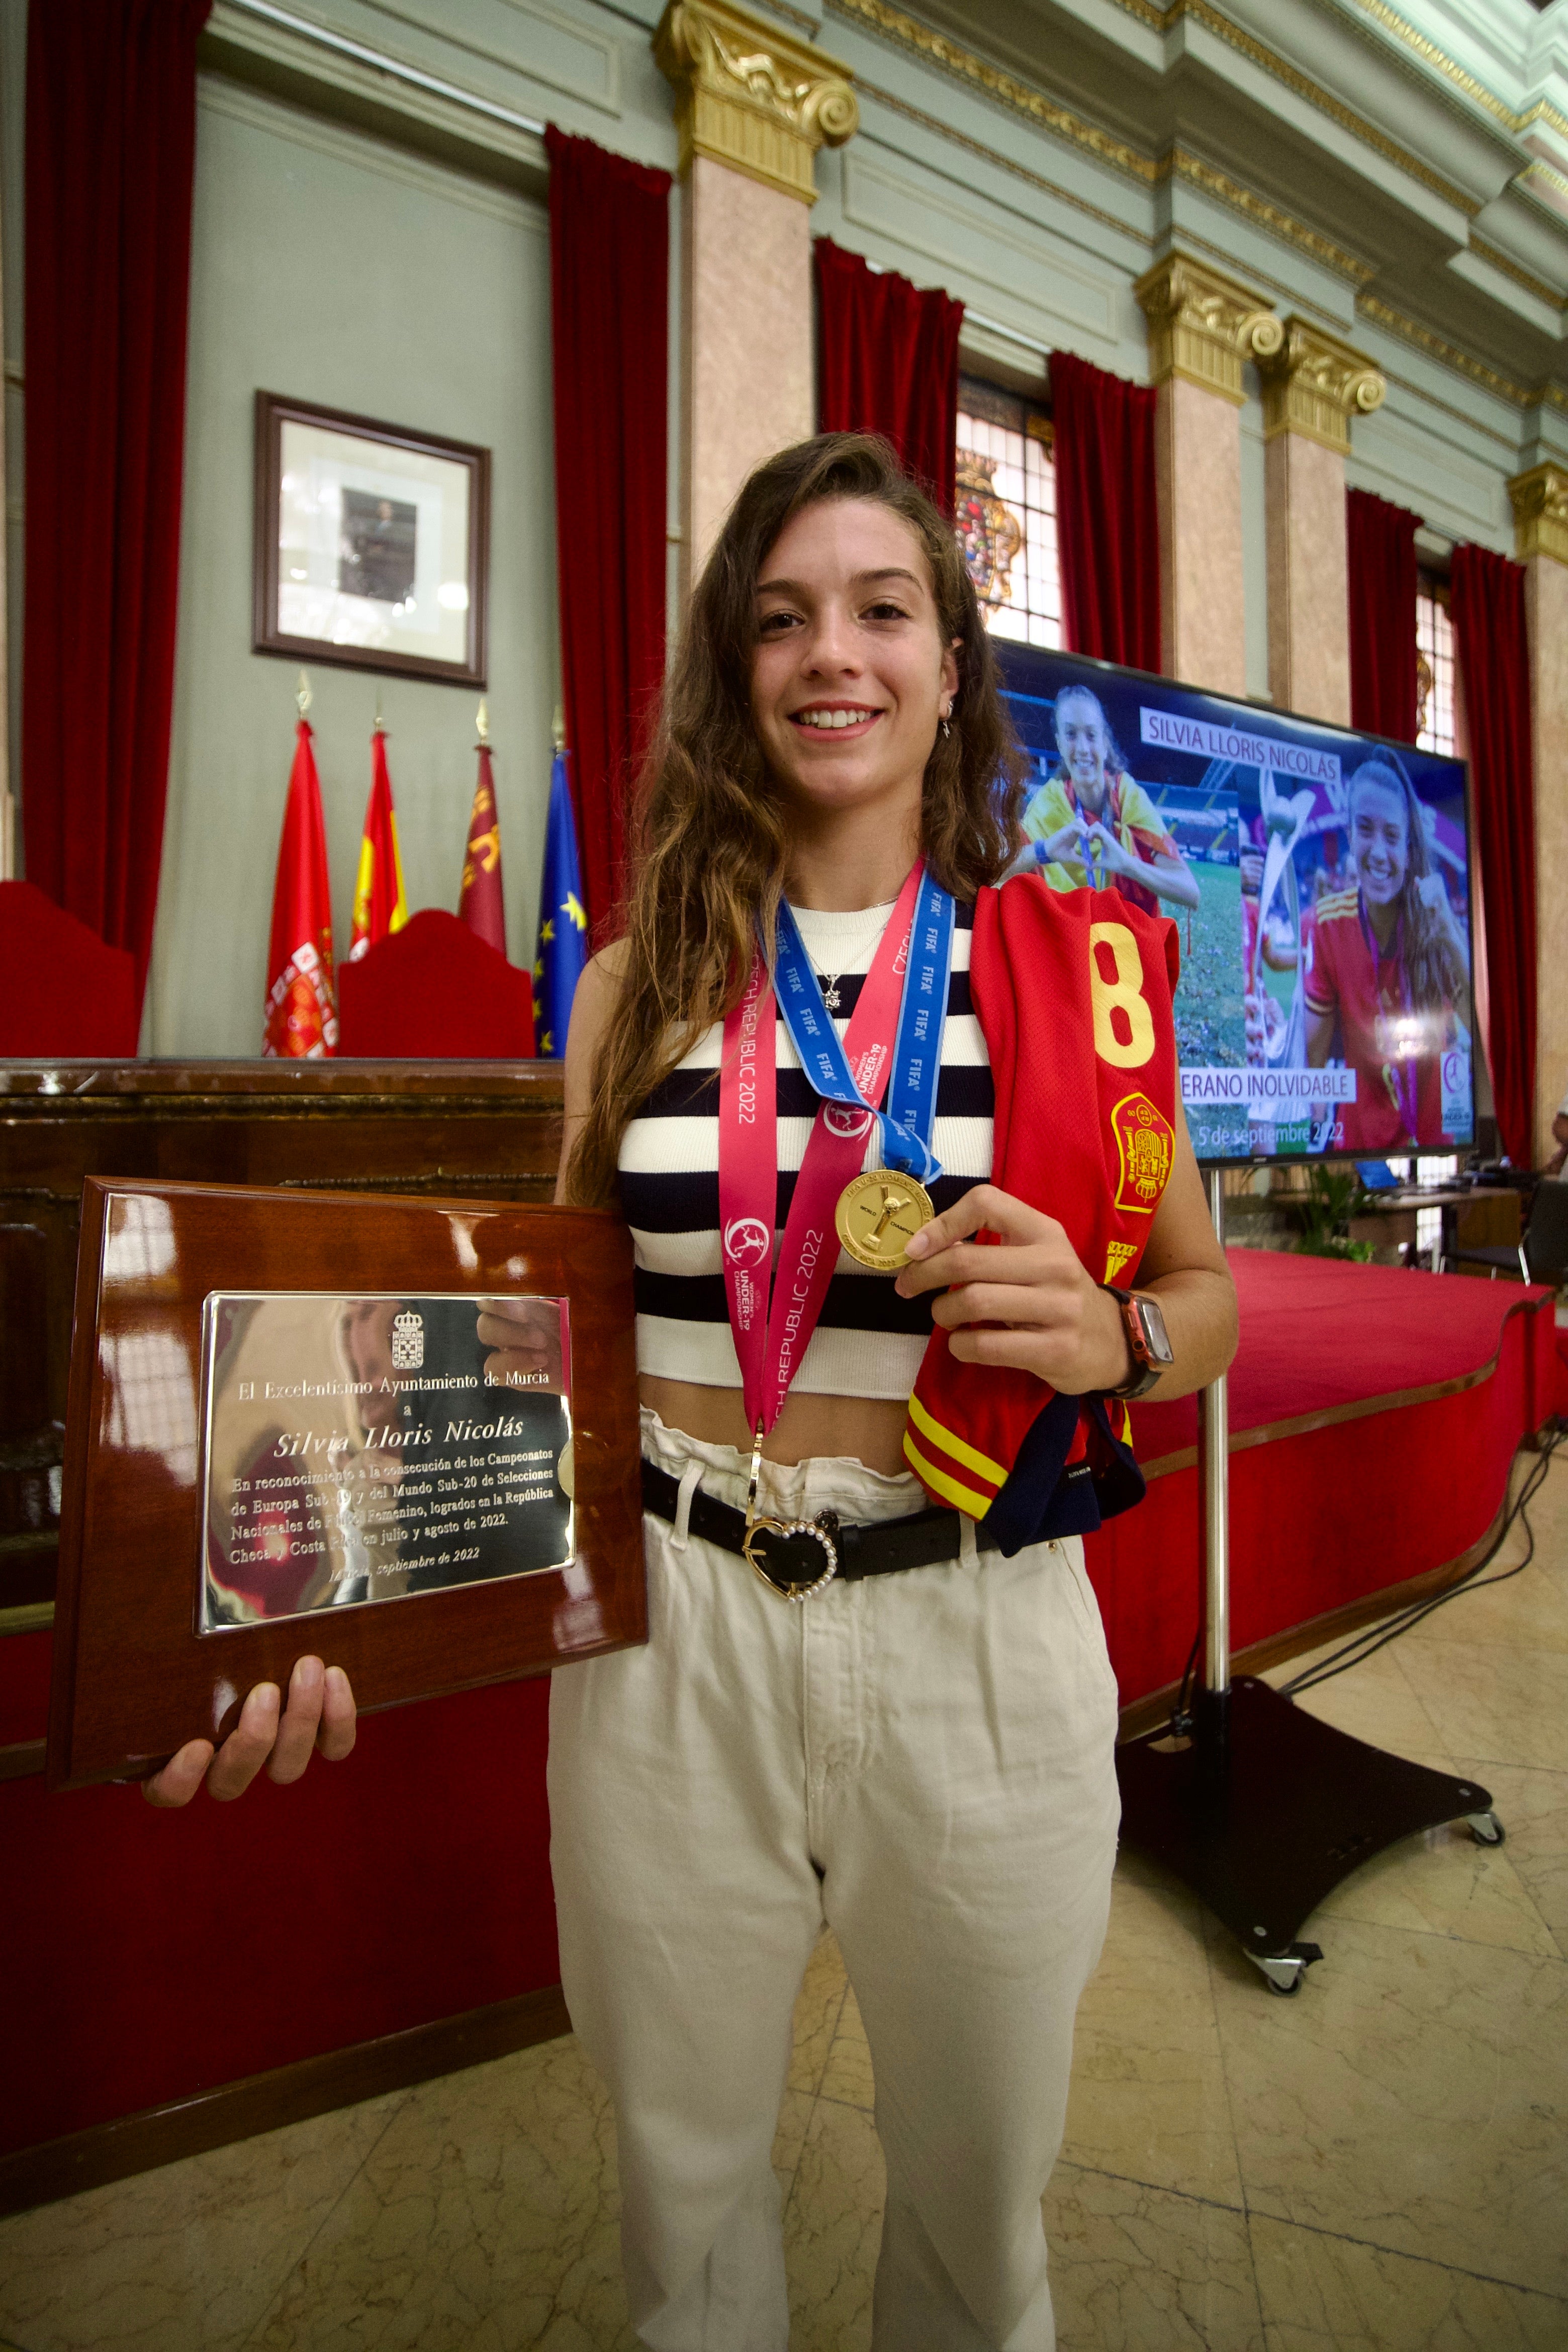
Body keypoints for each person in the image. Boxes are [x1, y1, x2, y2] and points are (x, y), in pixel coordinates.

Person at [142, 434, 1237, 2351]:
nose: (835, 653)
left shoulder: (1089, 978)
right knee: (683, 2200)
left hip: (974, 1621)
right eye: (782, 616)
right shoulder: (635, 988)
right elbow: (536, 1353)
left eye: (882, 610)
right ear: (736, 670)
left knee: (984, 2222)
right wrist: (285, 1599)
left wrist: (1124, 1337)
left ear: (950, 662)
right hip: (667, 1639)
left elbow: (1202, 1294)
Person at [1305, 753, 1469, 1151]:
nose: (1378, 852)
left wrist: (1448, 928)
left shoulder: (1433, 922)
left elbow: (1476, 1023)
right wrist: (1316, 1125)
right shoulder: (1326, 923)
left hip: (1433, 1141)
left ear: (1410, 849)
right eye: (1364, 829)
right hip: (1358, 1150)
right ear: (1348, 832)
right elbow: (1313, 1059)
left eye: (1392, 837)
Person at [1019, 683, 1201, 913]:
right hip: (1070, 940)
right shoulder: (1048, 803)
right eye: (1071, 735)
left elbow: (1191, 892)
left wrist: (1129, 865)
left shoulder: (1128, 798)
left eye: (1092, 735)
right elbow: (995, 872)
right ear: (1060, 744)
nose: (1083, 748)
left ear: (1105, 744)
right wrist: (1043, 850)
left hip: (1128, 943)